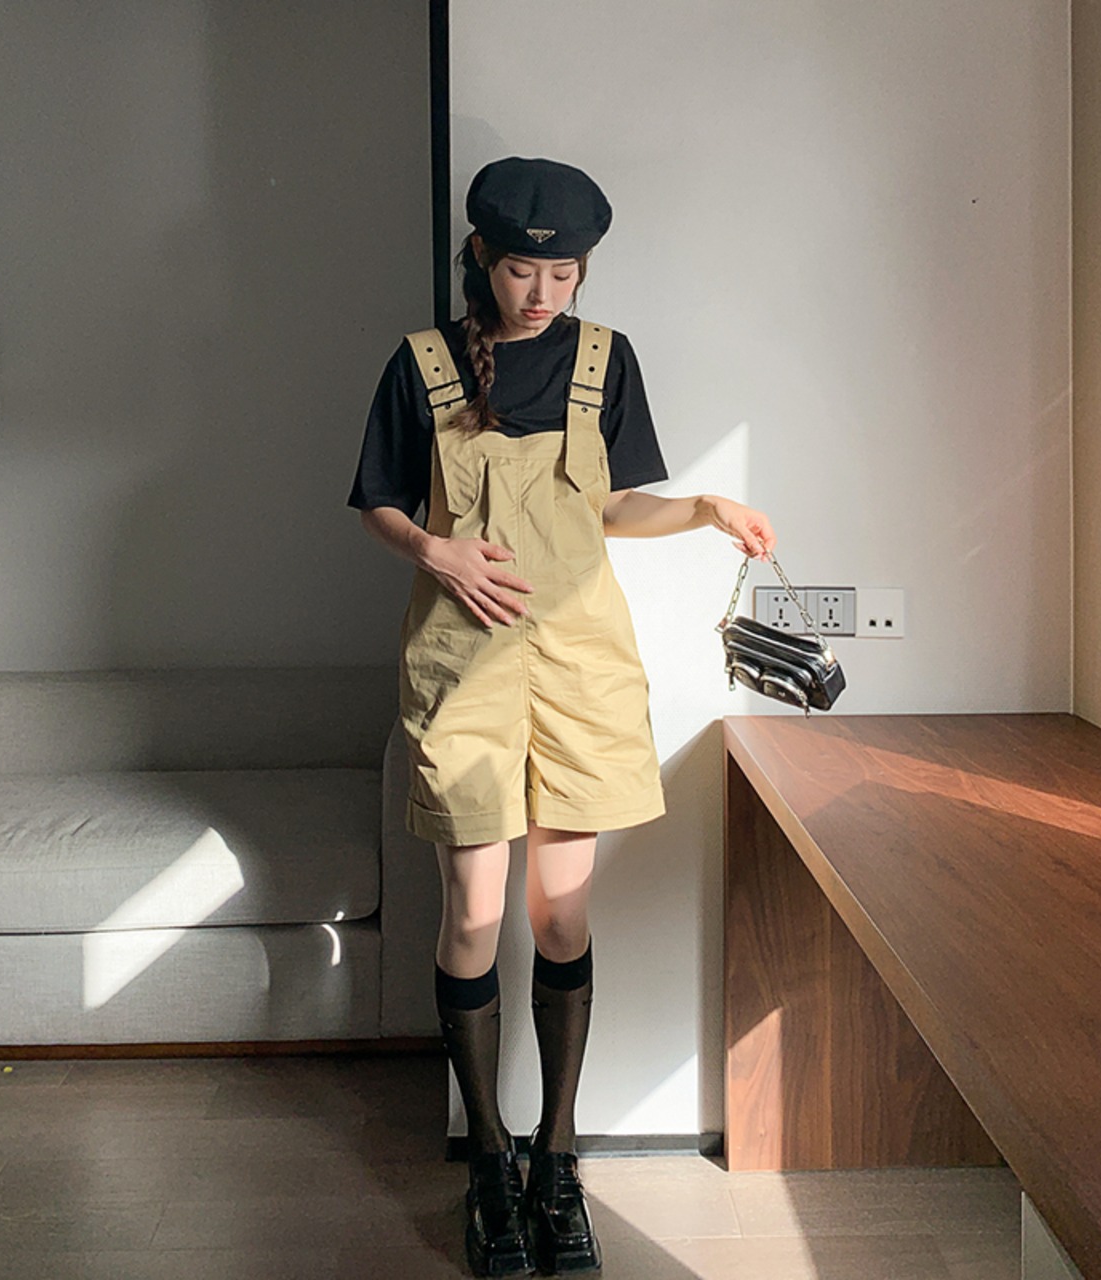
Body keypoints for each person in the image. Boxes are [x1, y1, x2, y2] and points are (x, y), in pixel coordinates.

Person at [348, 156, 775, 1277]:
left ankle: (557, 1154)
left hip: (580, 664)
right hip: (464, 666)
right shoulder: (423, 362)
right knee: (473, 914)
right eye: (520, 270)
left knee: (561, 915)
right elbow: (377, 499)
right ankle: (488, 1161)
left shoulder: (604, 359)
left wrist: (703, 507)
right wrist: (434, 548)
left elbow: (611, 502)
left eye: (564, 272)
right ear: (481, 258)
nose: (541, 293)